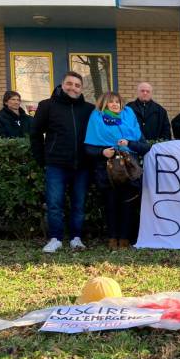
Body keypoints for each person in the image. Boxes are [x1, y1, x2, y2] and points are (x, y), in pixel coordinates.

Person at [30, 71, 95, 252]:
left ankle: (76, 238)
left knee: (79, 204)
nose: (73, 87)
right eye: (69, 83)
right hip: (56, 165)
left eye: (77, 85)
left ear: (81, 88)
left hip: (82, 166)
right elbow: (35, 134)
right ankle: (55, 238)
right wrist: (42, 158)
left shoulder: (89, 109)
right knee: (54, 204)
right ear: (62, 84)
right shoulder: (47, 106)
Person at [84, 92, 150, 249]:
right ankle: (112, 238)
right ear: (104, 104)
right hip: (107, 172)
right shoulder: (96, 120)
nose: (115, 105)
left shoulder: (130, 120)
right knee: (111, 205)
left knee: (128, 205)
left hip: (128, 171)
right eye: (111, 102)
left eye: (117, 102)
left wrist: (129, 143)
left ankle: (125, 238)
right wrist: (102, 152)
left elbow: (145, 146)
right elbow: (88, 148)